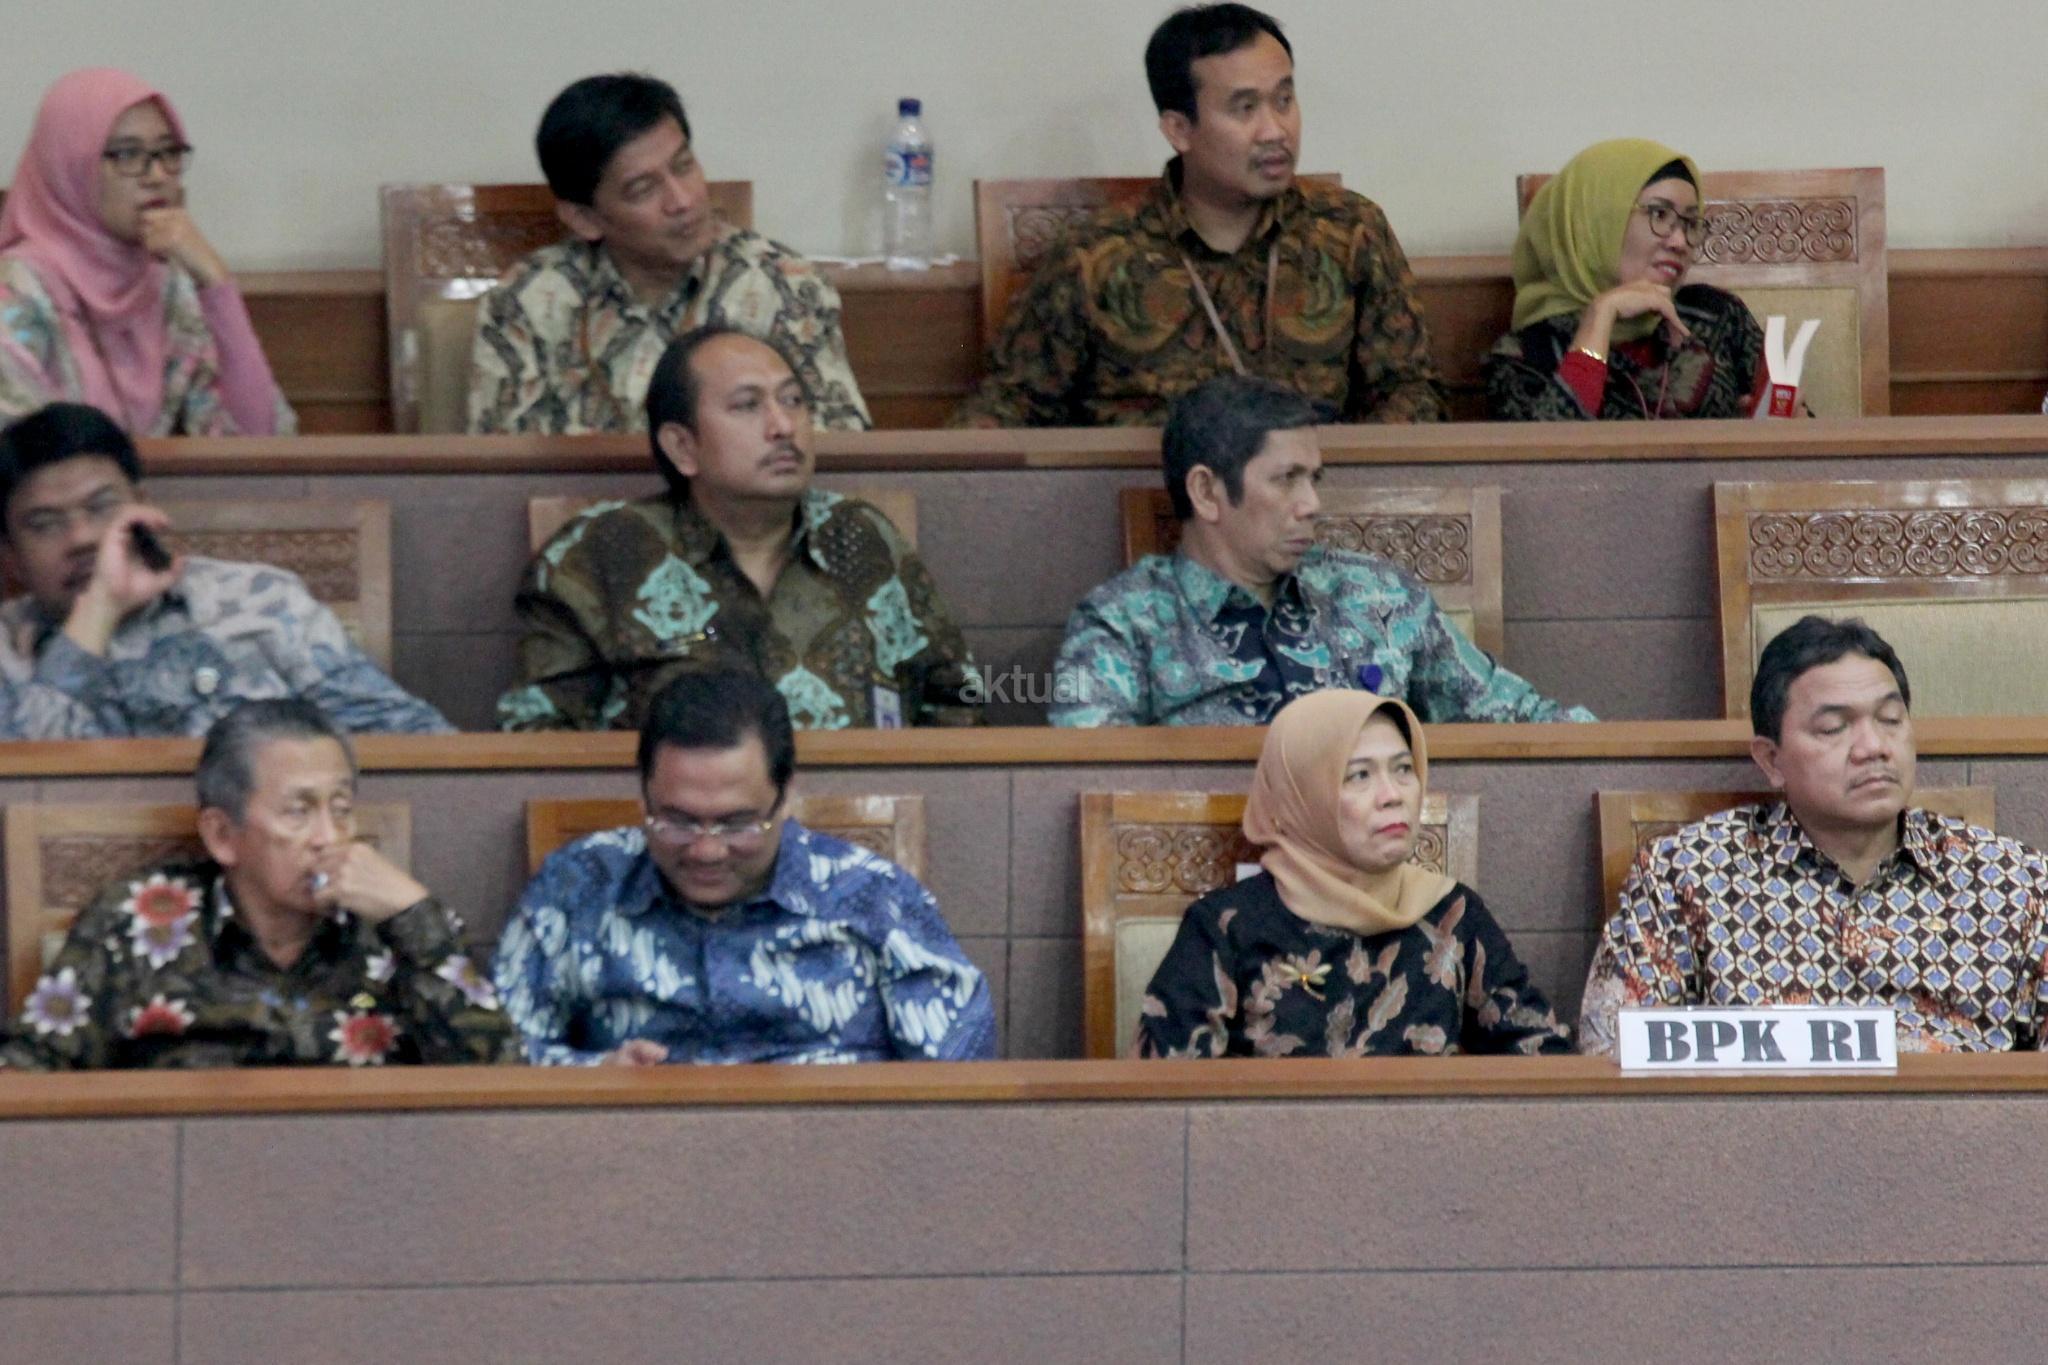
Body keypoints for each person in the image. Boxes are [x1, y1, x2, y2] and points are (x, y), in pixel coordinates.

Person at [951, 3, 1445, 428]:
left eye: (1284, 100)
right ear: (1179, 129)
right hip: (1144, 497)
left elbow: (1409, 390)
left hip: (1311, 497)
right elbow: (1010, 405)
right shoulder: (1095, 255)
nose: (1275, 130)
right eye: (1245, 108)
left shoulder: (1349, 230)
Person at [1579, 616, 2048, 1055]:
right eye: (1833, 728)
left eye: (1890, 719)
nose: (1874, 748)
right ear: (1771, 759)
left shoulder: (2013, 881)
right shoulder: (1685, 873)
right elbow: (1614, 1053)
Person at [493, 668, 997, 1065]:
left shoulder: (871, 895)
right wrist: (592, 1077)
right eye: (677, 822)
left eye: (737, 824)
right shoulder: (578, 885)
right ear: (643, 794)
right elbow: (496, 1058)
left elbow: (960, 1072)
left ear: (786, 796)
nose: (706, 851)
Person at [497, 325, 978, 732]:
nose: (783, 426)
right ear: (683, 447)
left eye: (793, 400)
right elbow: (536, 739)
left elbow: (957, 700)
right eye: (748, 405)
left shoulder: (862, 537)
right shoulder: (602, 555)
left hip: (861, 810)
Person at [0, 700, 514, 1069]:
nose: (328, 837)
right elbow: (28, 1078)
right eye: (298, 812)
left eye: (341, 809)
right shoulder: (136, 923)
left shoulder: (399, 924)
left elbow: (500, 1083)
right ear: (223, 836)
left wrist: (415, 919)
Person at [1050, 375, 1591, 725]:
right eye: (1286, 479)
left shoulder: (1378, 597)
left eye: (1314, 478)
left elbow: (1521, 718)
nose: (1311, 504)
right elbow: (1089, 776)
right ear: (1207, 492)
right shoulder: (1125, 625)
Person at [1137, 691, 1570, 1057]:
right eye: (1359, 775)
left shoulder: (1453, 914)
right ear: (1304, 797)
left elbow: (1543, 1061)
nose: (1393, 795)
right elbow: (1169, 1098)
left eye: (1404, 769)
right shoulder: (1227, 927)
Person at [0, 402, 450, 738]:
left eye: (102, 507)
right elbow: (28, 784)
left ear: (142, 506)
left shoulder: (257, 599)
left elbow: (415, 744)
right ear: (10, 554)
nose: (82, 538)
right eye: (45, 524)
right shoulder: (6, 652)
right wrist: (98, 609)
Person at [469, 72, 868, 434]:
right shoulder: (526, 302)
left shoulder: (783, 285)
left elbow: (841, 448)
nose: (682, 201)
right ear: (585, 218)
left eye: (683, 166)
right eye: (643, 189)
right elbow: (502, 469)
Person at [0, 68, 293, 435]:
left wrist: (216, 284)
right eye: (127, 154)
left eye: (168, 152)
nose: (156, 176)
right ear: (68, 167)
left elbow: (259, 441)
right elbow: (17, 457)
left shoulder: (168, 285)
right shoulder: (17, 293)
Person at [1486, 138, 1767, 421]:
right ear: (1593, 224)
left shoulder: (1719, 316)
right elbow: (1547, 447)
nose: (1680, 242)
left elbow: (1781, 416)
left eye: (1690, 223)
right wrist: (1601, 316)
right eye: (1659, 214)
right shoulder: (1525, 356)